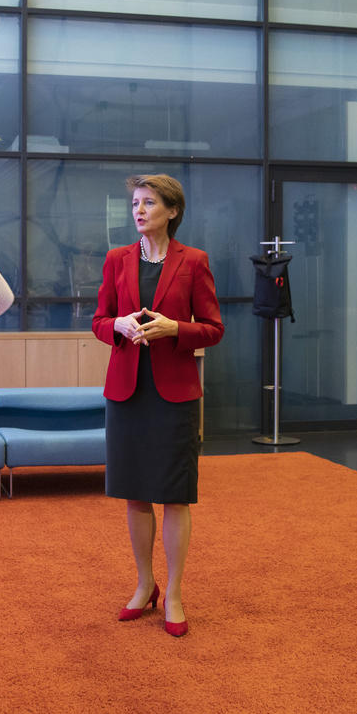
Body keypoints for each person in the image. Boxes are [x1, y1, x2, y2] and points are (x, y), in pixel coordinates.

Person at [91, 174, 224, 638]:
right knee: (135, 493)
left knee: (174, 495)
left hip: (175, 393)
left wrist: (175, 330)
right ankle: (145, 583)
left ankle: (175, 593)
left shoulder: (195, 262)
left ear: (172, 210)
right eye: (135, 203)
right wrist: (119, 326)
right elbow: (98, 321)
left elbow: (213, 328)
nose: (139, 210)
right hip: (127, 391)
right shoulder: (116, 260)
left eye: (149, 203)